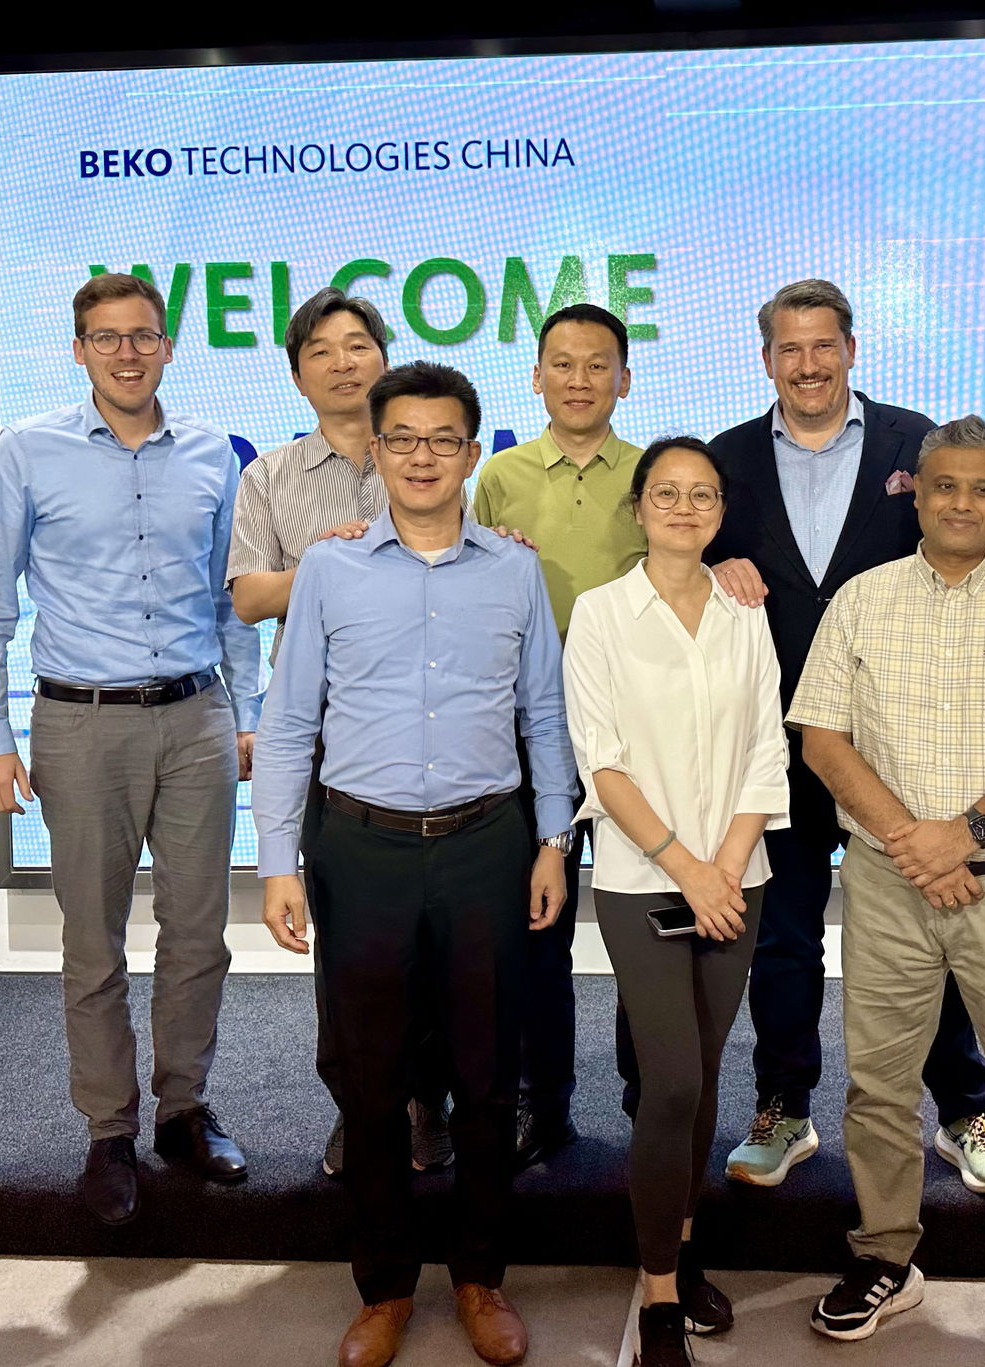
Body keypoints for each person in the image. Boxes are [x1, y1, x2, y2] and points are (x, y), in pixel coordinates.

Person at [253, 361, 577, 1367]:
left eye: (443, 438)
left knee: (486, 1076)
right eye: (403, 438)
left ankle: (480, 1275)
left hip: (487, 842)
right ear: (378, 449)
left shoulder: (513, 569)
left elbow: (543, 712)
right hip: (360, 847)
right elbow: (290, 717)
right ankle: (385, 1286)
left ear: (472, 452)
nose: (423, 456)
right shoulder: (330, 568)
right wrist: (275, 860)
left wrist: (553, 838)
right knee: (370, 1079)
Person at [708, 279, 985, 1192]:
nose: (809, 364)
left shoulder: (916, 441)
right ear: (766, 359)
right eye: (790, 348)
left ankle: (963, 1107)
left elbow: (968, 530)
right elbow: (686, 561)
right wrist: (715, 563)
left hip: (910, 744)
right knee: (783, 939)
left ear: (852, 349)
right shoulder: (726, 459)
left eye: (823, 345)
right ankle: (784, 1105)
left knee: (937, 918)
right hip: (781, 740)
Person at [788, 416, 985, 1367]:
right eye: (944, 485)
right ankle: (884, 1256)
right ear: (917, 493)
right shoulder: (863, 598)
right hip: (889, 885)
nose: (962, 503)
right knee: (878, 1088)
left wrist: (963, 834)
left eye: (981, 488)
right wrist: (914, 843)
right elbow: (822, 738)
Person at [0, 272, 261, 1226]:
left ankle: (183, 1109)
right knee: (93, 942)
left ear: (168, 345)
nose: (128, 353)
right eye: (108, 338)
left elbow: (232, 601)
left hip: (198, 718)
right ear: (79, 349)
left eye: (143, 336)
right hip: (79, 725)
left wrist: (247, 712)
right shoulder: (27, 450)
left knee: (199, 933)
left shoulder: (214, 454)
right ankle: (108, 1130)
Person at [563, 435, 789, 1367]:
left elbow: (766, 745)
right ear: (639, 506)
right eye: (667, 492)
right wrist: (687, 869)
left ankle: (682, 1240)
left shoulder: (744, 610)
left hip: (739, 878)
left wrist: (725, 864)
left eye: (702, 495)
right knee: (675, 1080)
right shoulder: (600, 613)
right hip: (641, 878)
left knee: (703, 1068)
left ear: (721, 510)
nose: (685, 508)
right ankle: (658, 1289)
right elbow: (601, 761)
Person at [226, 286, 451, 1178]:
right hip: (327, 738)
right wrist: (331, 560)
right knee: (351, 940)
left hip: (432, 729)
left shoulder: (430, 458)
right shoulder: (271, 476)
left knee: (432, 935)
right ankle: (362, 1105)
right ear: (297, 374)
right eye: (321, 350)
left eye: (358, 344)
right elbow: (249, 597)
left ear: (384, 357)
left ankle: (426, 1100)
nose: (343, 362)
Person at [471, 302, 647, 1170]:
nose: (580, 380)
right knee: (534, 925)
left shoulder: (656, 473)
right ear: (536, 377)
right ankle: (542, 1104)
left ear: (625, 378)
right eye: (563, 365)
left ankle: (650, 1103)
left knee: (643, 921)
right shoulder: (498, 475)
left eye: (597, 364)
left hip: (636, 729)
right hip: (526, 725)